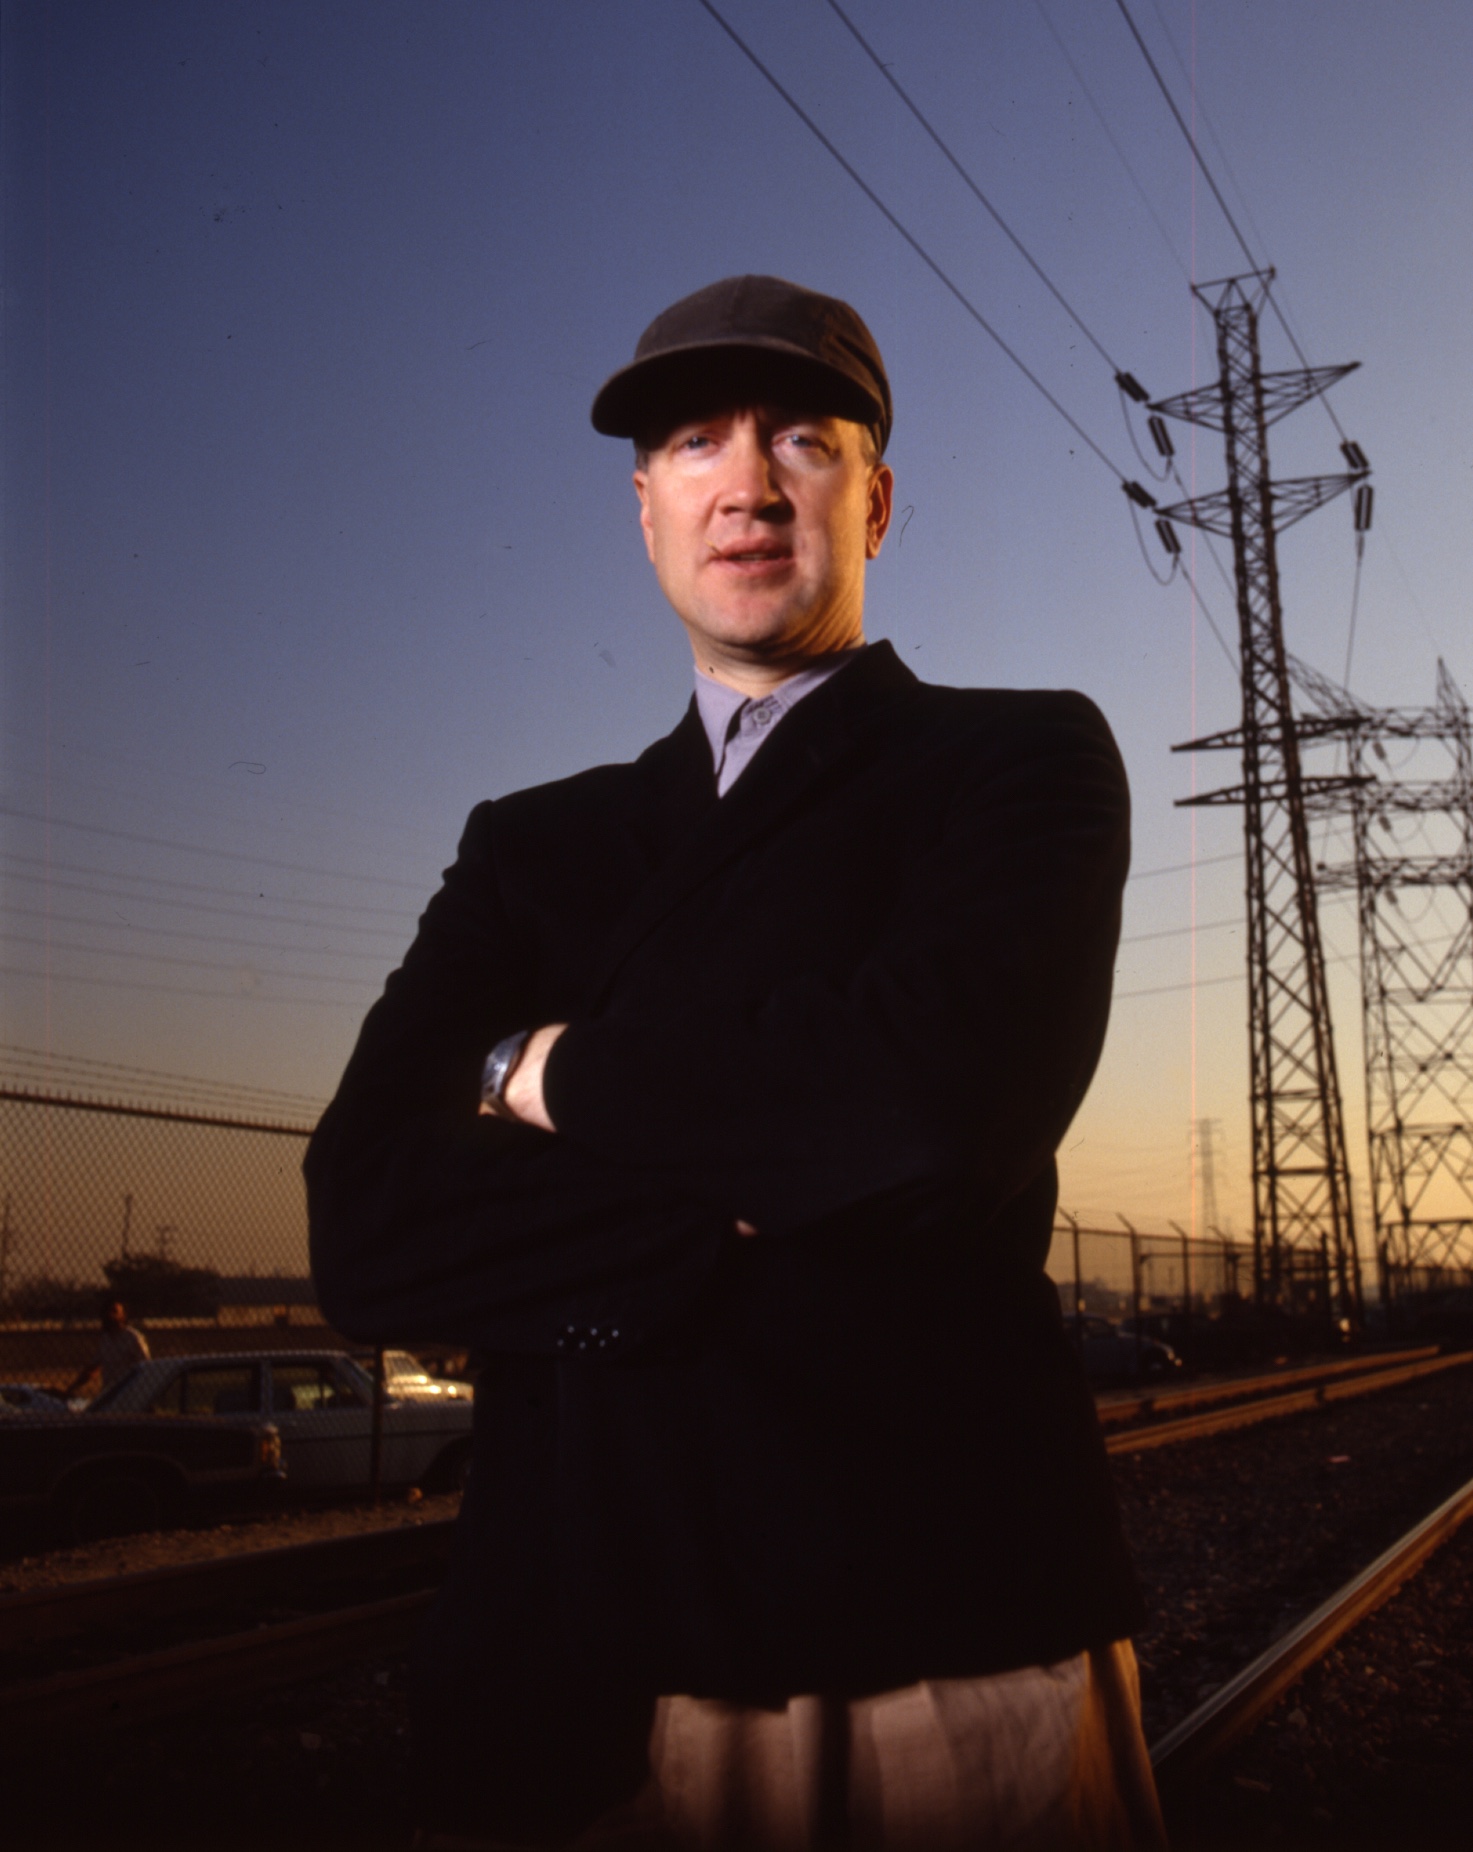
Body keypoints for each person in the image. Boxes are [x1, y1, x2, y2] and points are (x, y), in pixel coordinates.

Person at [307, 275, 1164, 1850]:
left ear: (877, 499)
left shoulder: (1017, 759)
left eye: (803, 440)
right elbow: (365, 1222)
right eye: (696, 440)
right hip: (562, 1654)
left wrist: (541, 1076)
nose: (749, 481)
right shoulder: (532, 842)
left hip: (920, 1636)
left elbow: (919, 1112)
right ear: (647, 513)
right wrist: (751, 1203)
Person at [65, 1297, 150, 1400]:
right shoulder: (106, 1339)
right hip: (109, 1393)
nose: (110, 1315)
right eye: (107, 1311)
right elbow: (94, 1367)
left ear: (123, 1315)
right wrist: (73, 1387)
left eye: (115, 1311)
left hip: (128, 1393)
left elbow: (146, 1366)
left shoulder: (132, 1337)